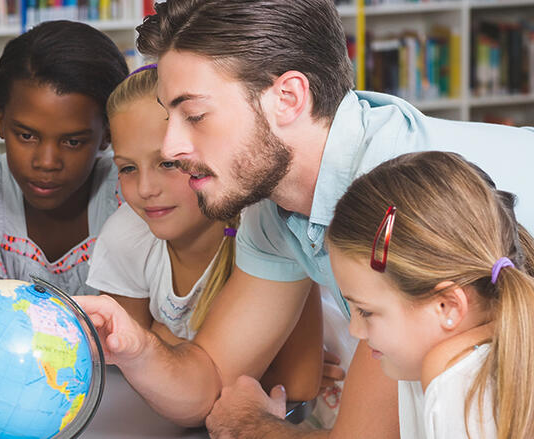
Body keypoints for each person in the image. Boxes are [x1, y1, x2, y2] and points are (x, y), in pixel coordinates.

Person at [74, 0, 534, 437]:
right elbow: (210, 378)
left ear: (289, 97)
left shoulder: (394, 203)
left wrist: (252, 425)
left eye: (194, 115)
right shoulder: (273, 202)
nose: (172, 146)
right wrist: (138, 350)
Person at [86, 66, 325, 404]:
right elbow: (124, 360)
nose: (145, 189)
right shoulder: (125, 236)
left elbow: (296, 384)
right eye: (127, 168)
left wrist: (165, 345)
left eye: (168, 164)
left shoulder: (270, 227)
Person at [327, 151, 534, 439]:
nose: (355, 330)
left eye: (366, 311)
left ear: (447, 305)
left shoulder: (456, 384)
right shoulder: (418, 361)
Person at [0, 20, 129, 296]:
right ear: (0, 121)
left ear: (107, 134)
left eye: (72, 142)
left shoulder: (128, 198)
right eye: (26, 136)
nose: (47, 162)